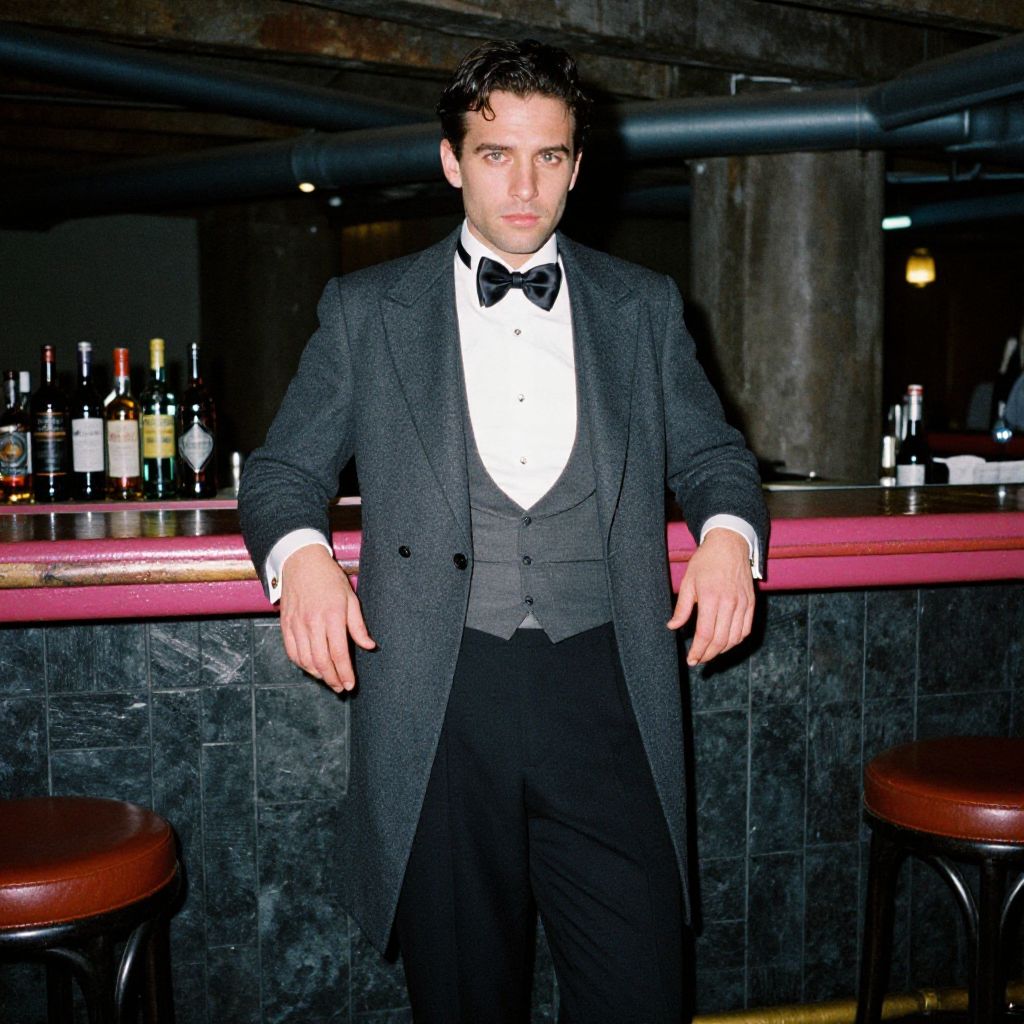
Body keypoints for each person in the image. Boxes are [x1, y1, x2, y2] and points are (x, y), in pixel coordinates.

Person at [239, 38, 768, 1023]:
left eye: (550, 156)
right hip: (441, 702)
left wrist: (729, 534)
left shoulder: (643, 306)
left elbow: (711, 456)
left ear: (576, 164)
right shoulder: (366, 310)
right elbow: (280, 474)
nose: (524, 184)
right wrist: (302, 558)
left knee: (640, 995)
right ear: (451, 159)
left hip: (609, 687)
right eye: (495, 153)